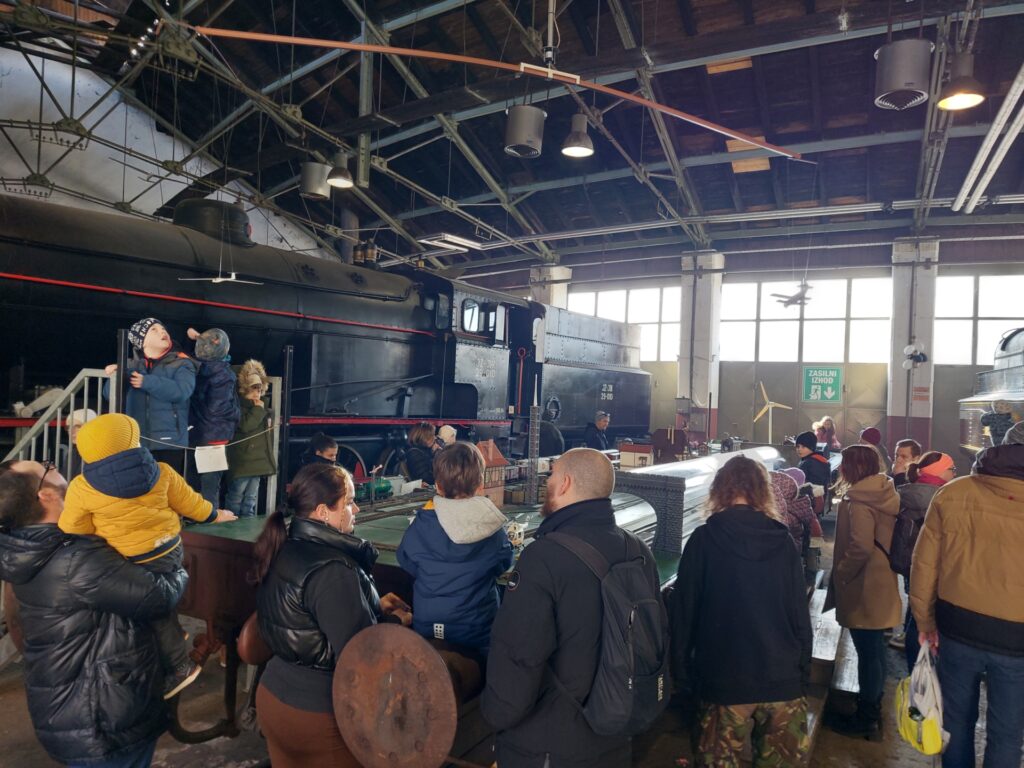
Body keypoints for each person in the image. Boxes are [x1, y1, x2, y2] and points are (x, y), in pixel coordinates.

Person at [0, 459, 187, 768]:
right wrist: (171, 555)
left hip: (73, 711)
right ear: (45, 496)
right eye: (48, 467)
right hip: (102, 721)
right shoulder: (75, 559)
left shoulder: (27, 547)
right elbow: (160, 596)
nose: (58, 468)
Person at [482, 448, 662, 768]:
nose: (547, 481)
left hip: (548, 747)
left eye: (551, 475)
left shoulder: (542, 559)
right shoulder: (639, 552)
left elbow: (519, 657)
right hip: (616, 734)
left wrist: (495, 715)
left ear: (565, 483)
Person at [59, 413, 237, 698]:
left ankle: (181, 666)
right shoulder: (162, 471)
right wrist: (216, 515)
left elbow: (73, 527)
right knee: (161, 600)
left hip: (126, 559)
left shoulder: (82, 487)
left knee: (151, 610)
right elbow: (192, 505)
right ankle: (174, 637)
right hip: (169, 550)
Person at [252, 463, 409, 768]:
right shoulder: (334, 570)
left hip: (273, 696)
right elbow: (361, 657)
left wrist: (372, 604)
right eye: (349, 502)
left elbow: (305, 617)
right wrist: (395, 623)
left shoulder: (283, 546)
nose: (357, 509)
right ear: (323, 512)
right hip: (317, 714)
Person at [673, 456, 812, 768]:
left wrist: (684, 679)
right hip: (782, 681)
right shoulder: (783, 540)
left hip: (724, 683)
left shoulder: (703, 540)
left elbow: (683, 616)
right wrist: (802, 672)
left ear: (720, 490)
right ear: (763, 492)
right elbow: (799, 615)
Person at [910, 423, 1024, 768]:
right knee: (1007, 734)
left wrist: (924, 621)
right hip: (1017, 639)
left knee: (955, 723)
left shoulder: (955, 492)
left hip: (957, 627)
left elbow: (924, 564)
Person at [397, 442, 513, 656]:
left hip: (427, 627)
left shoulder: (422, 524)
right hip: (476, 631)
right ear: (480, 484)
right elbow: (503, 562)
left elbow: (405, 559)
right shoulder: (492, 529)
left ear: (438, 486)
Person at [824, 445, 901, 740]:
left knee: (868, 652)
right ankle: (871, 708)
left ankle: (865, 718)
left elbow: (861, 546)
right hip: (882, 579)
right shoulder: (884, 492)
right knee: (875, 652)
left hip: (865, 582)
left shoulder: (859, 500)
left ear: (851, 467)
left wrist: (841, 573)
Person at [105, 317, 197, 476]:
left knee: (168, 492)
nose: (162, 332)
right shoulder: (130, 365)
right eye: (154, 330)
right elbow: (109, 395)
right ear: (142, 342)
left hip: (170, 444)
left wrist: (147, 381)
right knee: (141, 492)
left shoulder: (182, 363)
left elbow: (182, 391)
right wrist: (116, 375)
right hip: (137, 443)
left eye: (163, 329)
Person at [891, 452, 955, 669]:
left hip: (909, 563)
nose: (954, 473)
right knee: (922, 618)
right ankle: (923, 670)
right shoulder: (943, 498)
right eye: (951, 469)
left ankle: (914, 671)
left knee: (914, 612)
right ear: (939, 472)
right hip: (932, 567)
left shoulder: (907, 492)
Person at [187, 327, 240, 507]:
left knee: (193, 482)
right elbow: (220, 408)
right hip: (216, 436)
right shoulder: (225, 374)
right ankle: (209, 523)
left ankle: (193, 519)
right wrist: (236, 414)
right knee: (211, 486)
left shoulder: (194, 367)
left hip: (196, 433)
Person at [225, 360, 276, 518]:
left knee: (251, 497)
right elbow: (246, 425)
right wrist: (259, 410)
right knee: (237, 495)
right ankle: (231, 521)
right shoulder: (241, 408)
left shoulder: (261, 408)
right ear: (243, 390)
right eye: (252, 389)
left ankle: (248, 521)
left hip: (256, 461)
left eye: (259, 389)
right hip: (243, 460)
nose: (256, 393)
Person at [770, 469, 821, 554]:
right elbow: (811, 519)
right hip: (795, 548)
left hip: (777, 550)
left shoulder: (768, 504)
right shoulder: (802, 502)